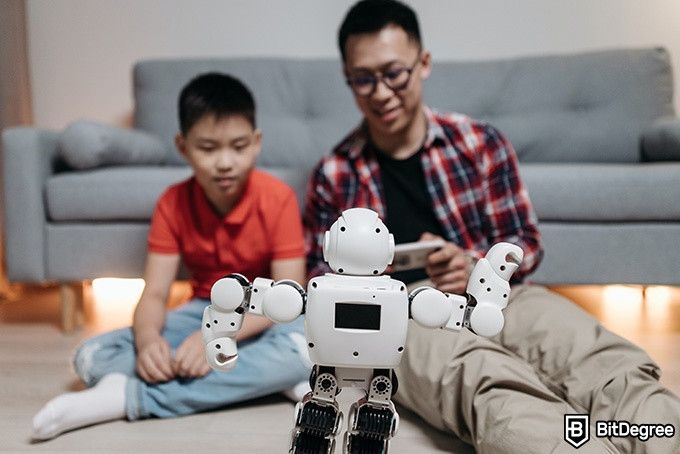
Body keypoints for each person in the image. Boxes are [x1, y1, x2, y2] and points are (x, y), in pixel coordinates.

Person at [304, 1, 680, 452]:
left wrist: (473, 265)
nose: (381, 93)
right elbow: (317, 283)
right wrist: (366, 290)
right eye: (363, 79)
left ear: (422, 64)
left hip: (497, 292)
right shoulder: (334, 172)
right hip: (404, 317)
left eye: (394, 73)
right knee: (489, 384)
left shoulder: (479, 142)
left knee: (600, 358)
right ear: (348, 79)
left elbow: (527, 242)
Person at [32, 73, 311, 440]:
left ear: (256, 143)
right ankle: (265, 381)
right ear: (182, 147)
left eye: (238, 146)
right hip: (203, 308)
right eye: (208, 148)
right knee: (92, 353)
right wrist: (149, 342)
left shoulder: (278, 198)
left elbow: (287, 295)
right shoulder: (172, 203)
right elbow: (154, 295)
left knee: (301, 348)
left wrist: (216, 337)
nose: (225, 162)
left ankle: (125, 398)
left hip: (264, 317)